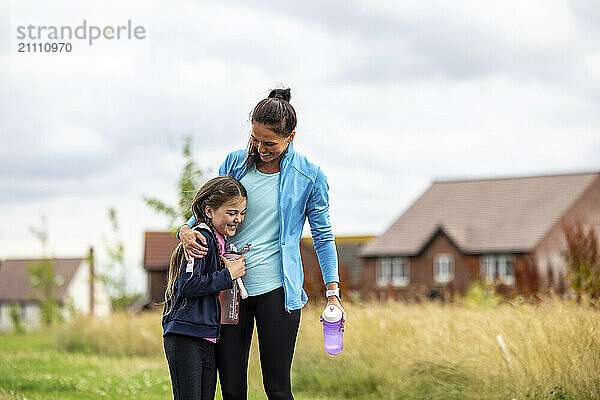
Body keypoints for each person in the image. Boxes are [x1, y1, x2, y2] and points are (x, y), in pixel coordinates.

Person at [178, 88, 347, 400]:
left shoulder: (309, 176)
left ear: (290, 137)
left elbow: (323, 235)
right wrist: (186, 229)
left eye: (270, 143)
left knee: (278, 388)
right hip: (230, 289)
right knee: (231, 388)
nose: (260, 148)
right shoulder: (235, 163)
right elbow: (208, 209)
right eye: (255, 139)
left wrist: (333, 294)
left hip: (278, 291)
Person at [163, 176, 248, 400]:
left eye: (242, 213)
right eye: (232, 213)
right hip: (186, 335)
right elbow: (188, 285)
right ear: (209, 211)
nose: (238, 219)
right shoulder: (201, 238)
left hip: (207, 336)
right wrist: (228, 275)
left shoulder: (220, 242)